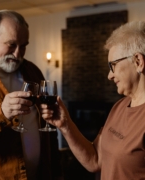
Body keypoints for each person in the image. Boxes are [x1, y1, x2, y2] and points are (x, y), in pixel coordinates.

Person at [40, 21, 145, 180]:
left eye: (113, 66)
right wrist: (65, 124)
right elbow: (95, 160)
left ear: (138, 61)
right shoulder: (119, 106)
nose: (109, 75)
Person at [0, 10, 63, 180]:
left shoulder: (33, 71)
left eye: (24, 45)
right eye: (11, 45)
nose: (18, 54)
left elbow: (48, 130)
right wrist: (0, 113)